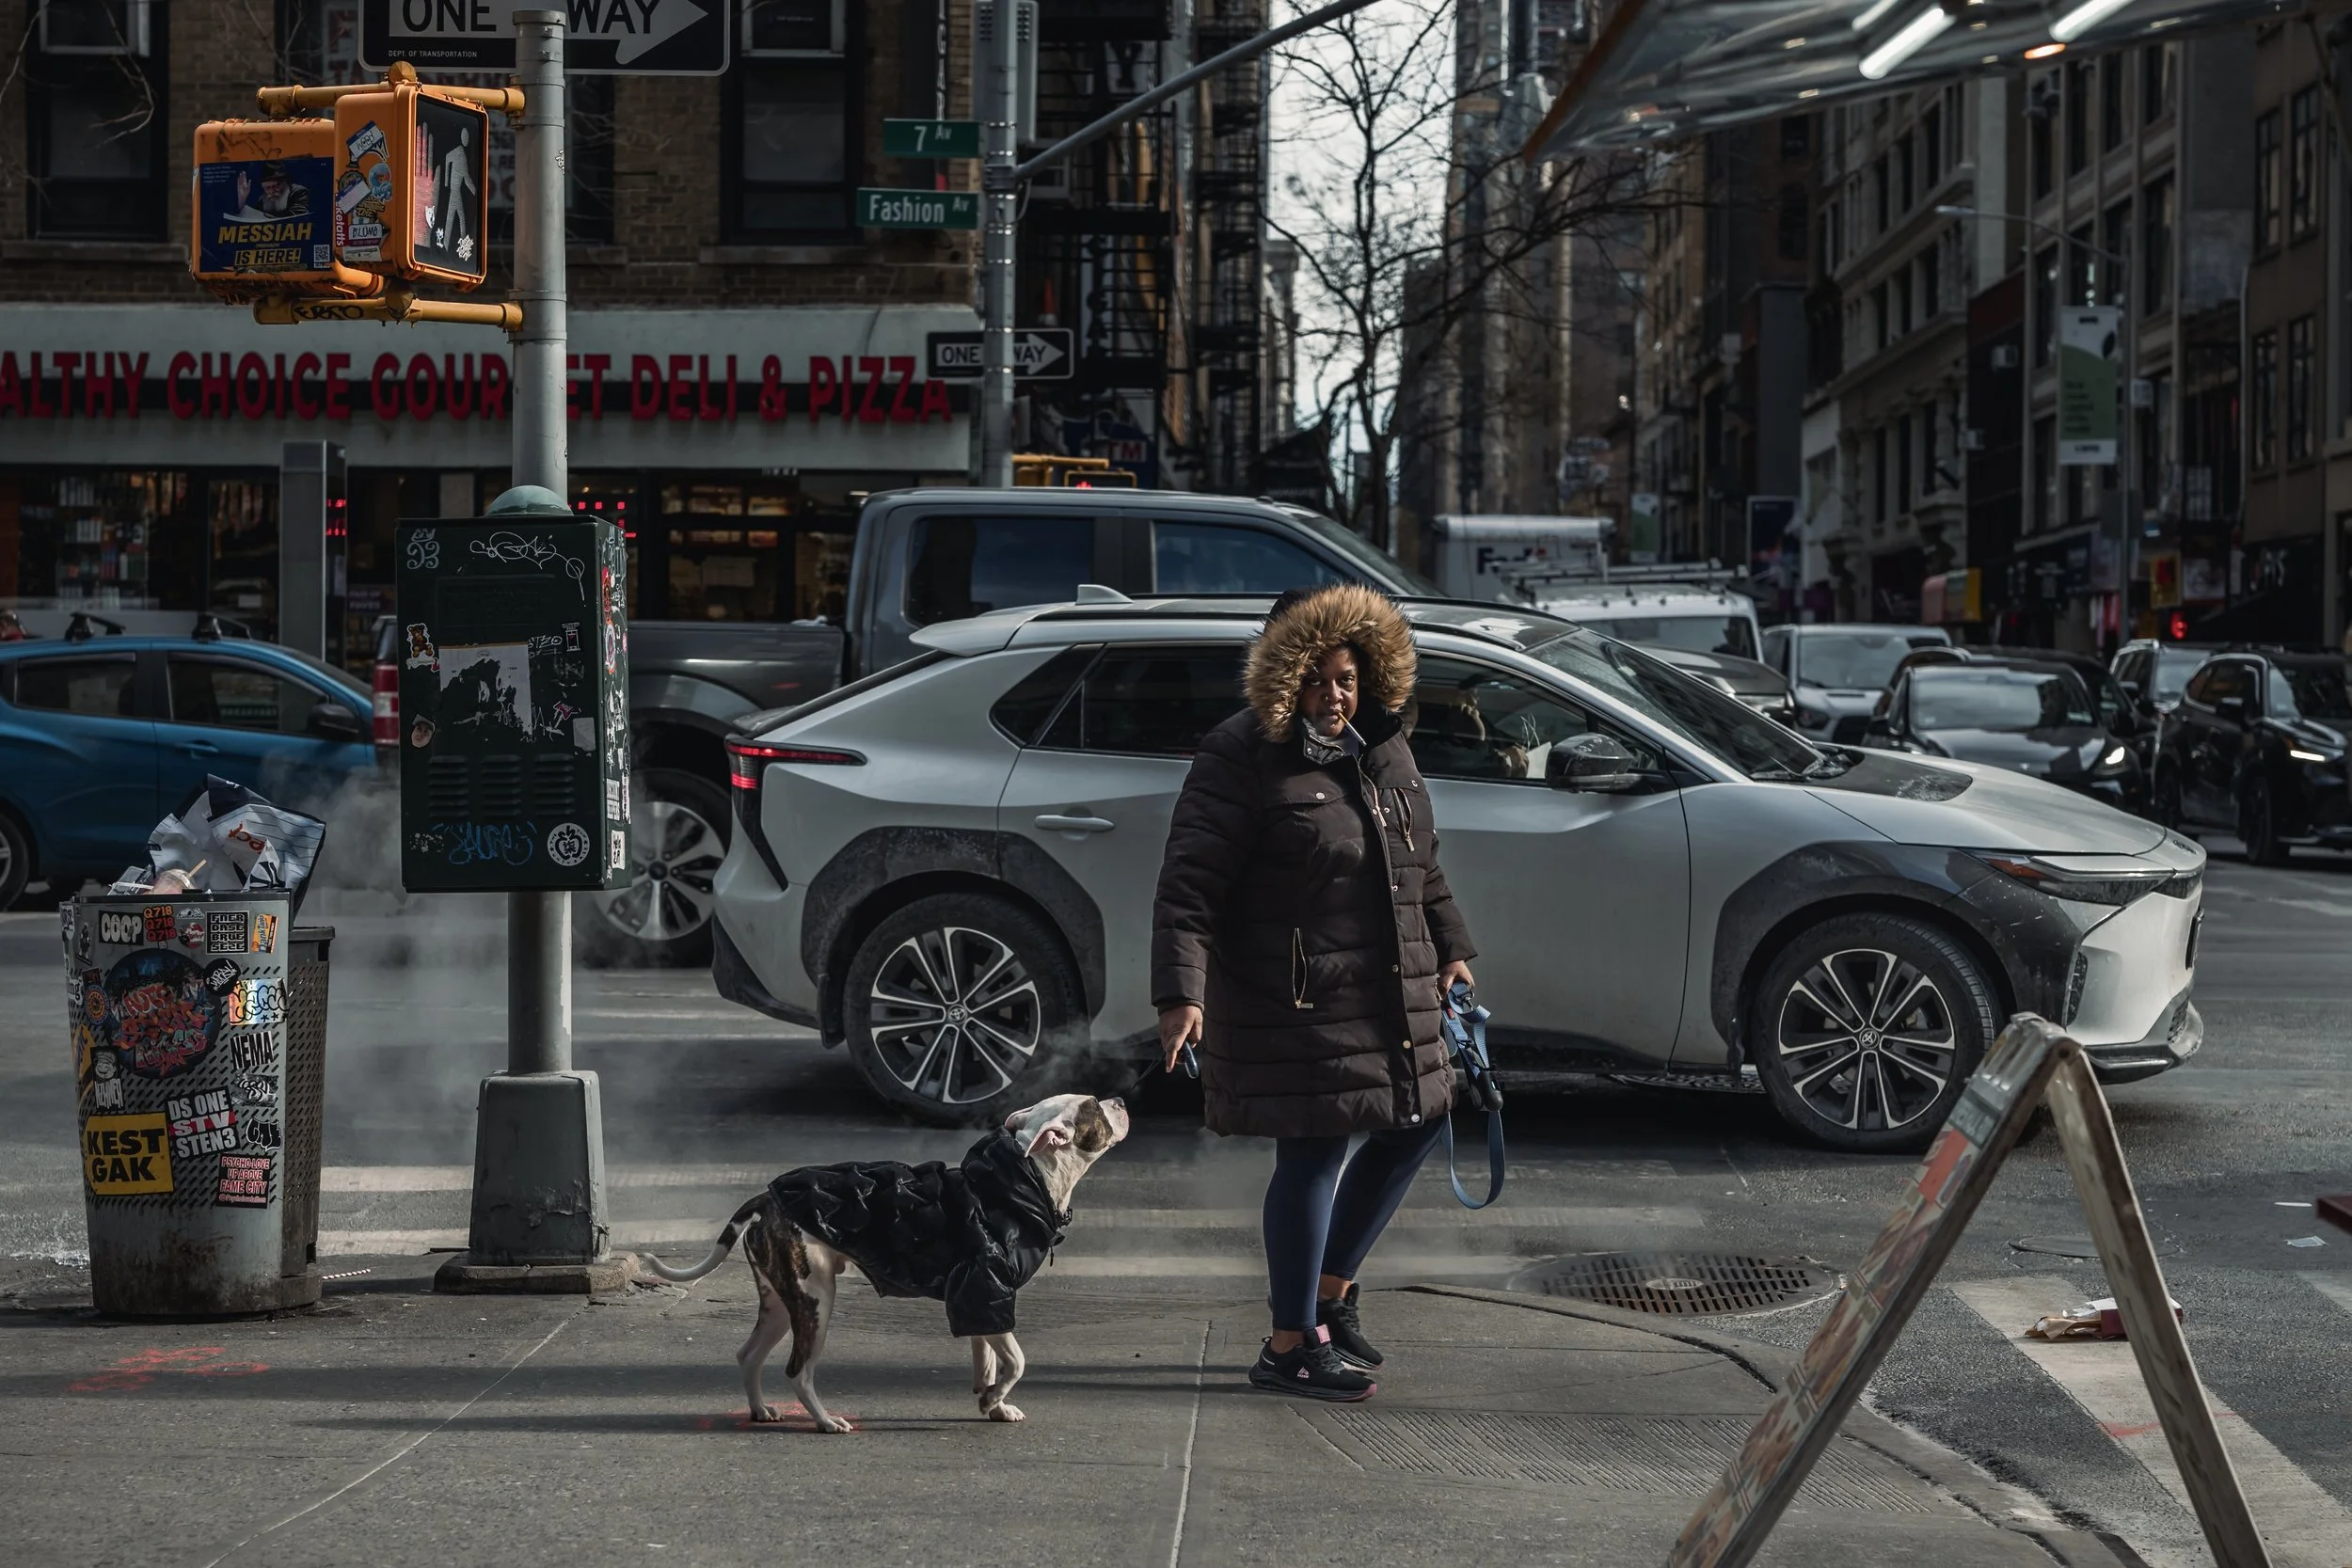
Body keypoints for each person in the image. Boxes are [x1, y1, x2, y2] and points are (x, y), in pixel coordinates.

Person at [1152, 583, 1475, 1402]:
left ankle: (1329, 1295)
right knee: (1316, 1149)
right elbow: (1190, 885)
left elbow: (1420, 863)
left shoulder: (1385, 747)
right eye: (1318, 679)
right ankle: (1289, 1342)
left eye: (1347, 678)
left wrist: (1452, 947)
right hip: (1292, 992)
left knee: (1419, 1121)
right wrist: (1180, 992)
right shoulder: (1239, 756)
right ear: (1282, 676)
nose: (1335, 695)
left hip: (1386, 986)